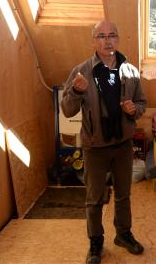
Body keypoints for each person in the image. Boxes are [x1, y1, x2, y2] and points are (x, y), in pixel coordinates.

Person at [61, 20, 146, 264]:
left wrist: (134, 109)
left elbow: (142, 102)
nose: (107, 41)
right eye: (101, 36)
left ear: (118, 39)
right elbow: (66, 110)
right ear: (94, 41)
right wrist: (76, 92)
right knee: (94, 198)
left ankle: (123, 234)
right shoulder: (81, 71)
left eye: (112, 35)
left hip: (122, 145)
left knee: (123, 195)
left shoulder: (130, 70)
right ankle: (96, 243)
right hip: (94, 147)